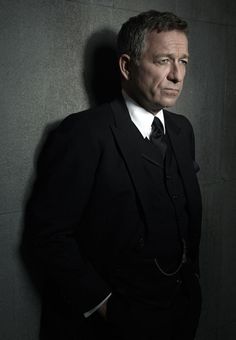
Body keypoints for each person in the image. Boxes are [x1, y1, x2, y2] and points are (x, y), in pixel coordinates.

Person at [24, 10, 202, 340]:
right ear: (126, 66)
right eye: (164, 60)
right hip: (113, 328)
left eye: (184, 61)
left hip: (180, 316)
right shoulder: (83, 133)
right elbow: (47, 233)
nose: (178, 75)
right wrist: (105, 306)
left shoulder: (182, 130)